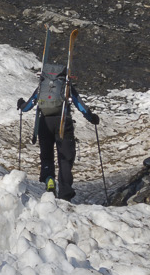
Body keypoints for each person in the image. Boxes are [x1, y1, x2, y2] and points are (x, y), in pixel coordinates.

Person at [18, 63, 98, 200]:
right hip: (62, 121)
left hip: (44, 123)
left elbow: (28, 106)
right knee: (65, 158)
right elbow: (80, 105)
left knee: (47, 156)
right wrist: (92, 118)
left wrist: (21, 104)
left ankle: (49, 179)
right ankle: (65, 191)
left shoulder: (42, 86)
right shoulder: (66, 86)